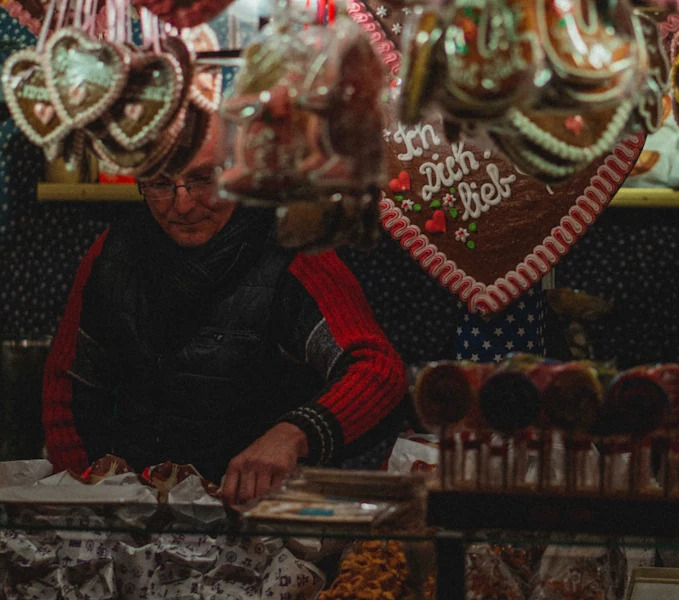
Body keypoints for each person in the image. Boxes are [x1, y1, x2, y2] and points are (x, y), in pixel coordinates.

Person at [41, 124, 407, 505]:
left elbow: (377, 370)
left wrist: (290, 435)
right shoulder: (112, 252)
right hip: (140, 519)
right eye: (160, 183)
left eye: (203, 180)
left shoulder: (294, 252)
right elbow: (67, 386)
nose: (182, 204)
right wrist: (82, 499)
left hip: (261, 519)